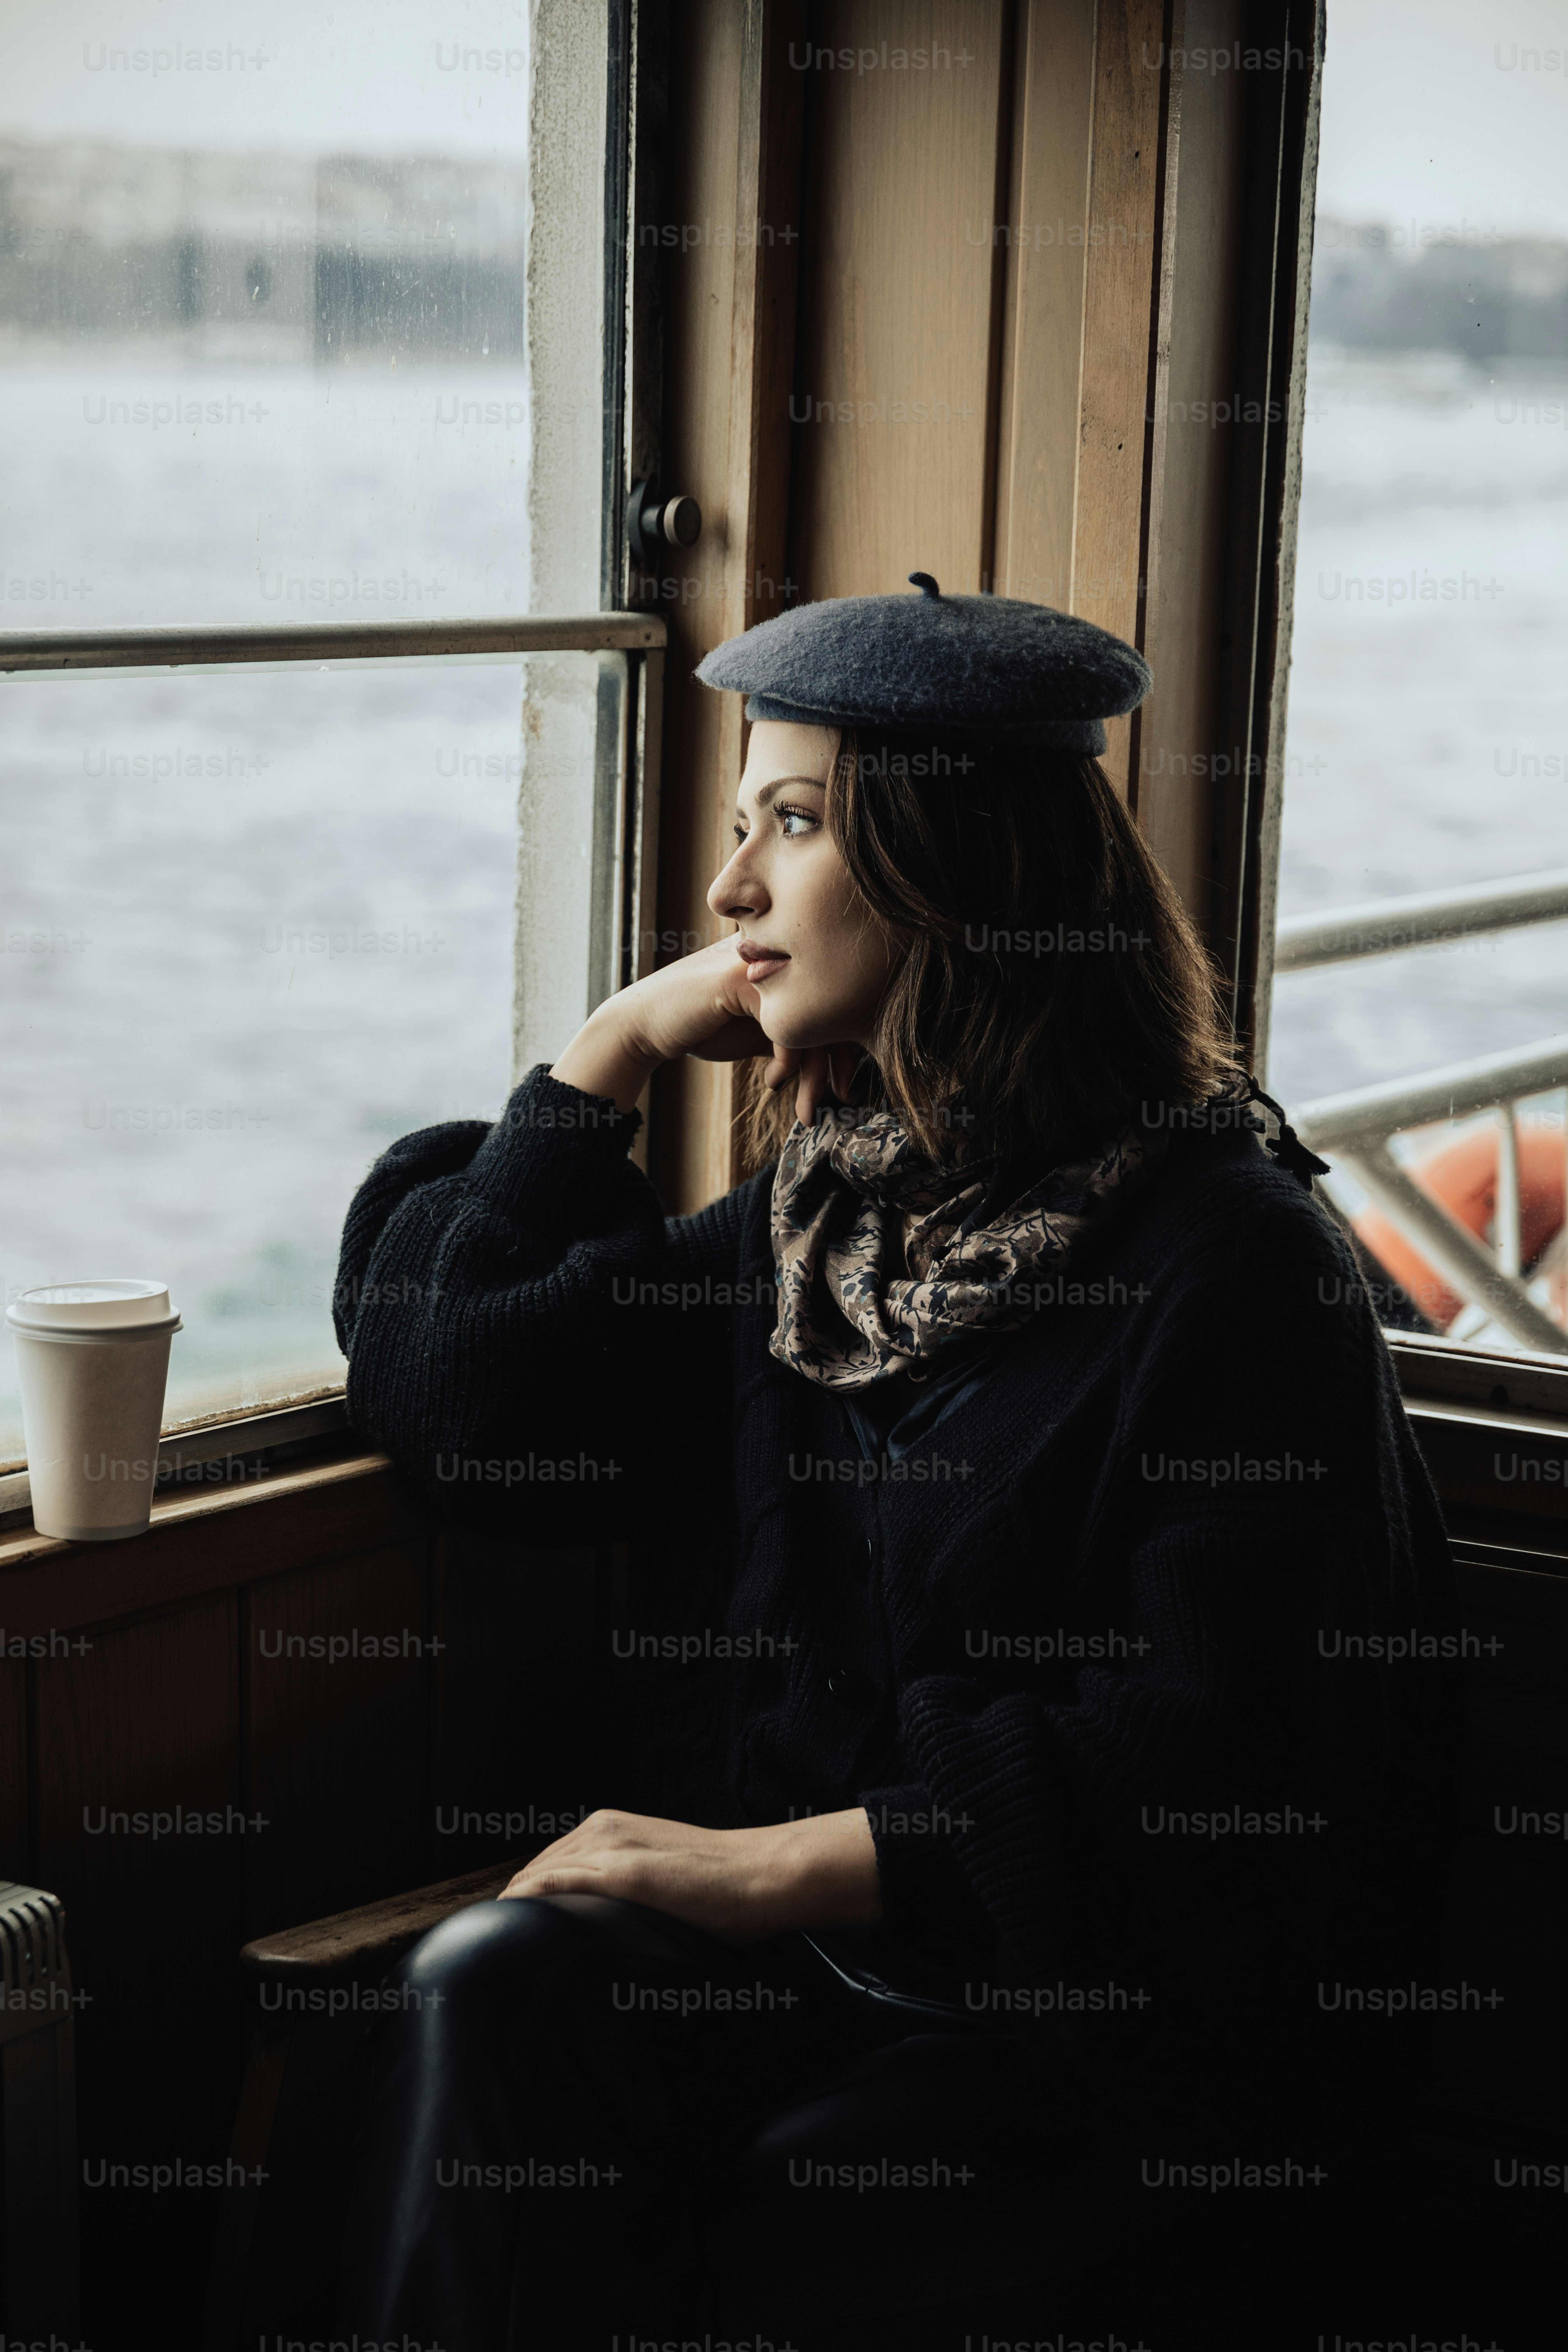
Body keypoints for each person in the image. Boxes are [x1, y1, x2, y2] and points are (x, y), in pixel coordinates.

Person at [332, 578, 1461, 2346]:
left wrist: (772, 1865)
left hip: (1089, 2015)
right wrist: (605, 1055)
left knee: (768, 2213)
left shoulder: (1234, 1265)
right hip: (799, 1972)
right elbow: (475, 1411)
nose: (732, 896)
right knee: (491, 1981)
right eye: (740, 828)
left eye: (792, 826)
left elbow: (1232, 1766)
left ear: (967, 873)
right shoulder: (826, 1223)